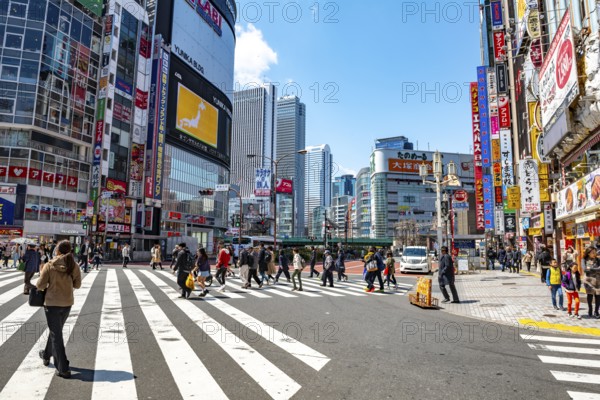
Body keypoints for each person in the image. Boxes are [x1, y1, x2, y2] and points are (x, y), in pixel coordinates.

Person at [36, 240, 82, 379]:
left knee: (56, 334)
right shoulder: (73, 265)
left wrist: (41, 272)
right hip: (67, 303)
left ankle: (63, 368)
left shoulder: (50, 265)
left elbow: (40, 285)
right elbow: (78, 285)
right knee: (56, 331)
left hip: (52, 304)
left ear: (58, 251)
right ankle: (46, 354)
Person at [583, 247, 600, 319]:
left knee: (598, 297)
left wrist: (591, 269)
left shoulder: (598, 260)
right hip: (589, 281)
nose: (594, 254)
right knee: (590, 296)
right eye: (593, 252)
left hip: (598, 280)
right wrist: (596, 269)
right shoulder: (584, 260)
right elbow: (585, 270)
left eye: (595, 252)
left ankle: (596, 311)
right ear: (588, 253)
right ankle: (590, 309)